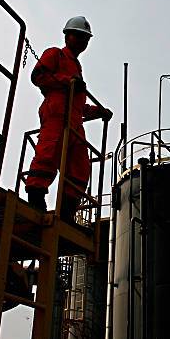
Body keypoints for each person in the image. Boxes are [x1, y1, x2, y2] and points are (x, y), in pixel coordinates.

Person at [25, 16, 112, 221]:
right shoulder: (55, 54)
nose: (84, 42)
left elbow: (80, 106)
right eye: (81, 37)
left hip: (74, 122)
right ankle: (36, 197)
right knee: (48, 156)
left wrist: (99, 111)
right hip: (56, 116)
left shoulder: (77, 68)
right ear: (68, 36)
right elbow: (38, 76)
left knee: (80, 167)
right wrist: (67, 81)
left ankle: (67, 211)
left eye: (86, 39)